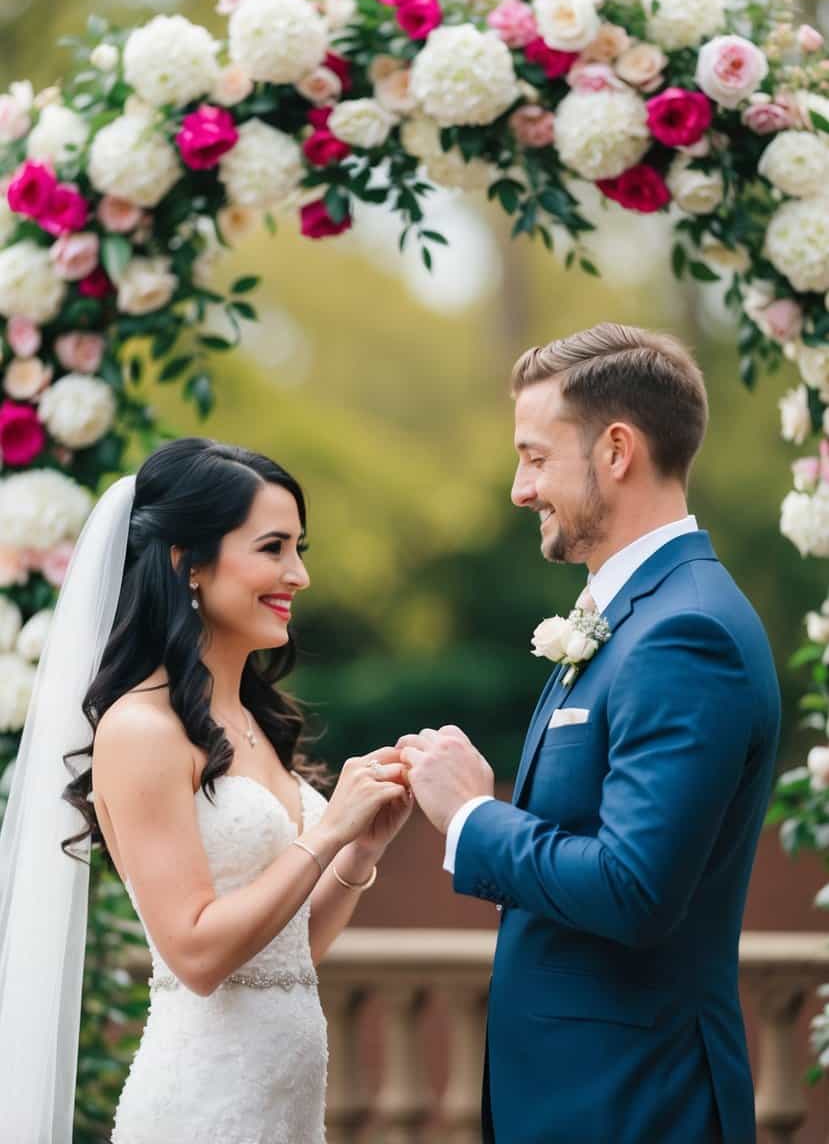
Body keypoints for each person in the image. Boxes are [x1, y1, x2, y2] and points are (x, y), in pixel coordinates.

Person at [398, 323, 781, 1144]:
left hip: (638, 1106)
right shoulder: (637, 615)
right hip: (582, 1100)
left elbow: (632, 889)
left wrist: (471, 816)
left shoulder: (687, 634)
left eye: (535, 457)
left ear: (615, 450)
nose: (518, 488)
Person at [0, 437, 412, 1144]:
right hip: (201, 1106)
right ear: (186, 563)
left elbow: (285, 954)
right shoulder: (142, 728)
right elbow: (195, 956)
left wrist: (356, 855)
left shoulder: (252, 720)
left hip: (283, 1107)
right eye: (273, 548)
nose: (298, 575)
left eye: (298, 548)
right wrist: (325, 831)